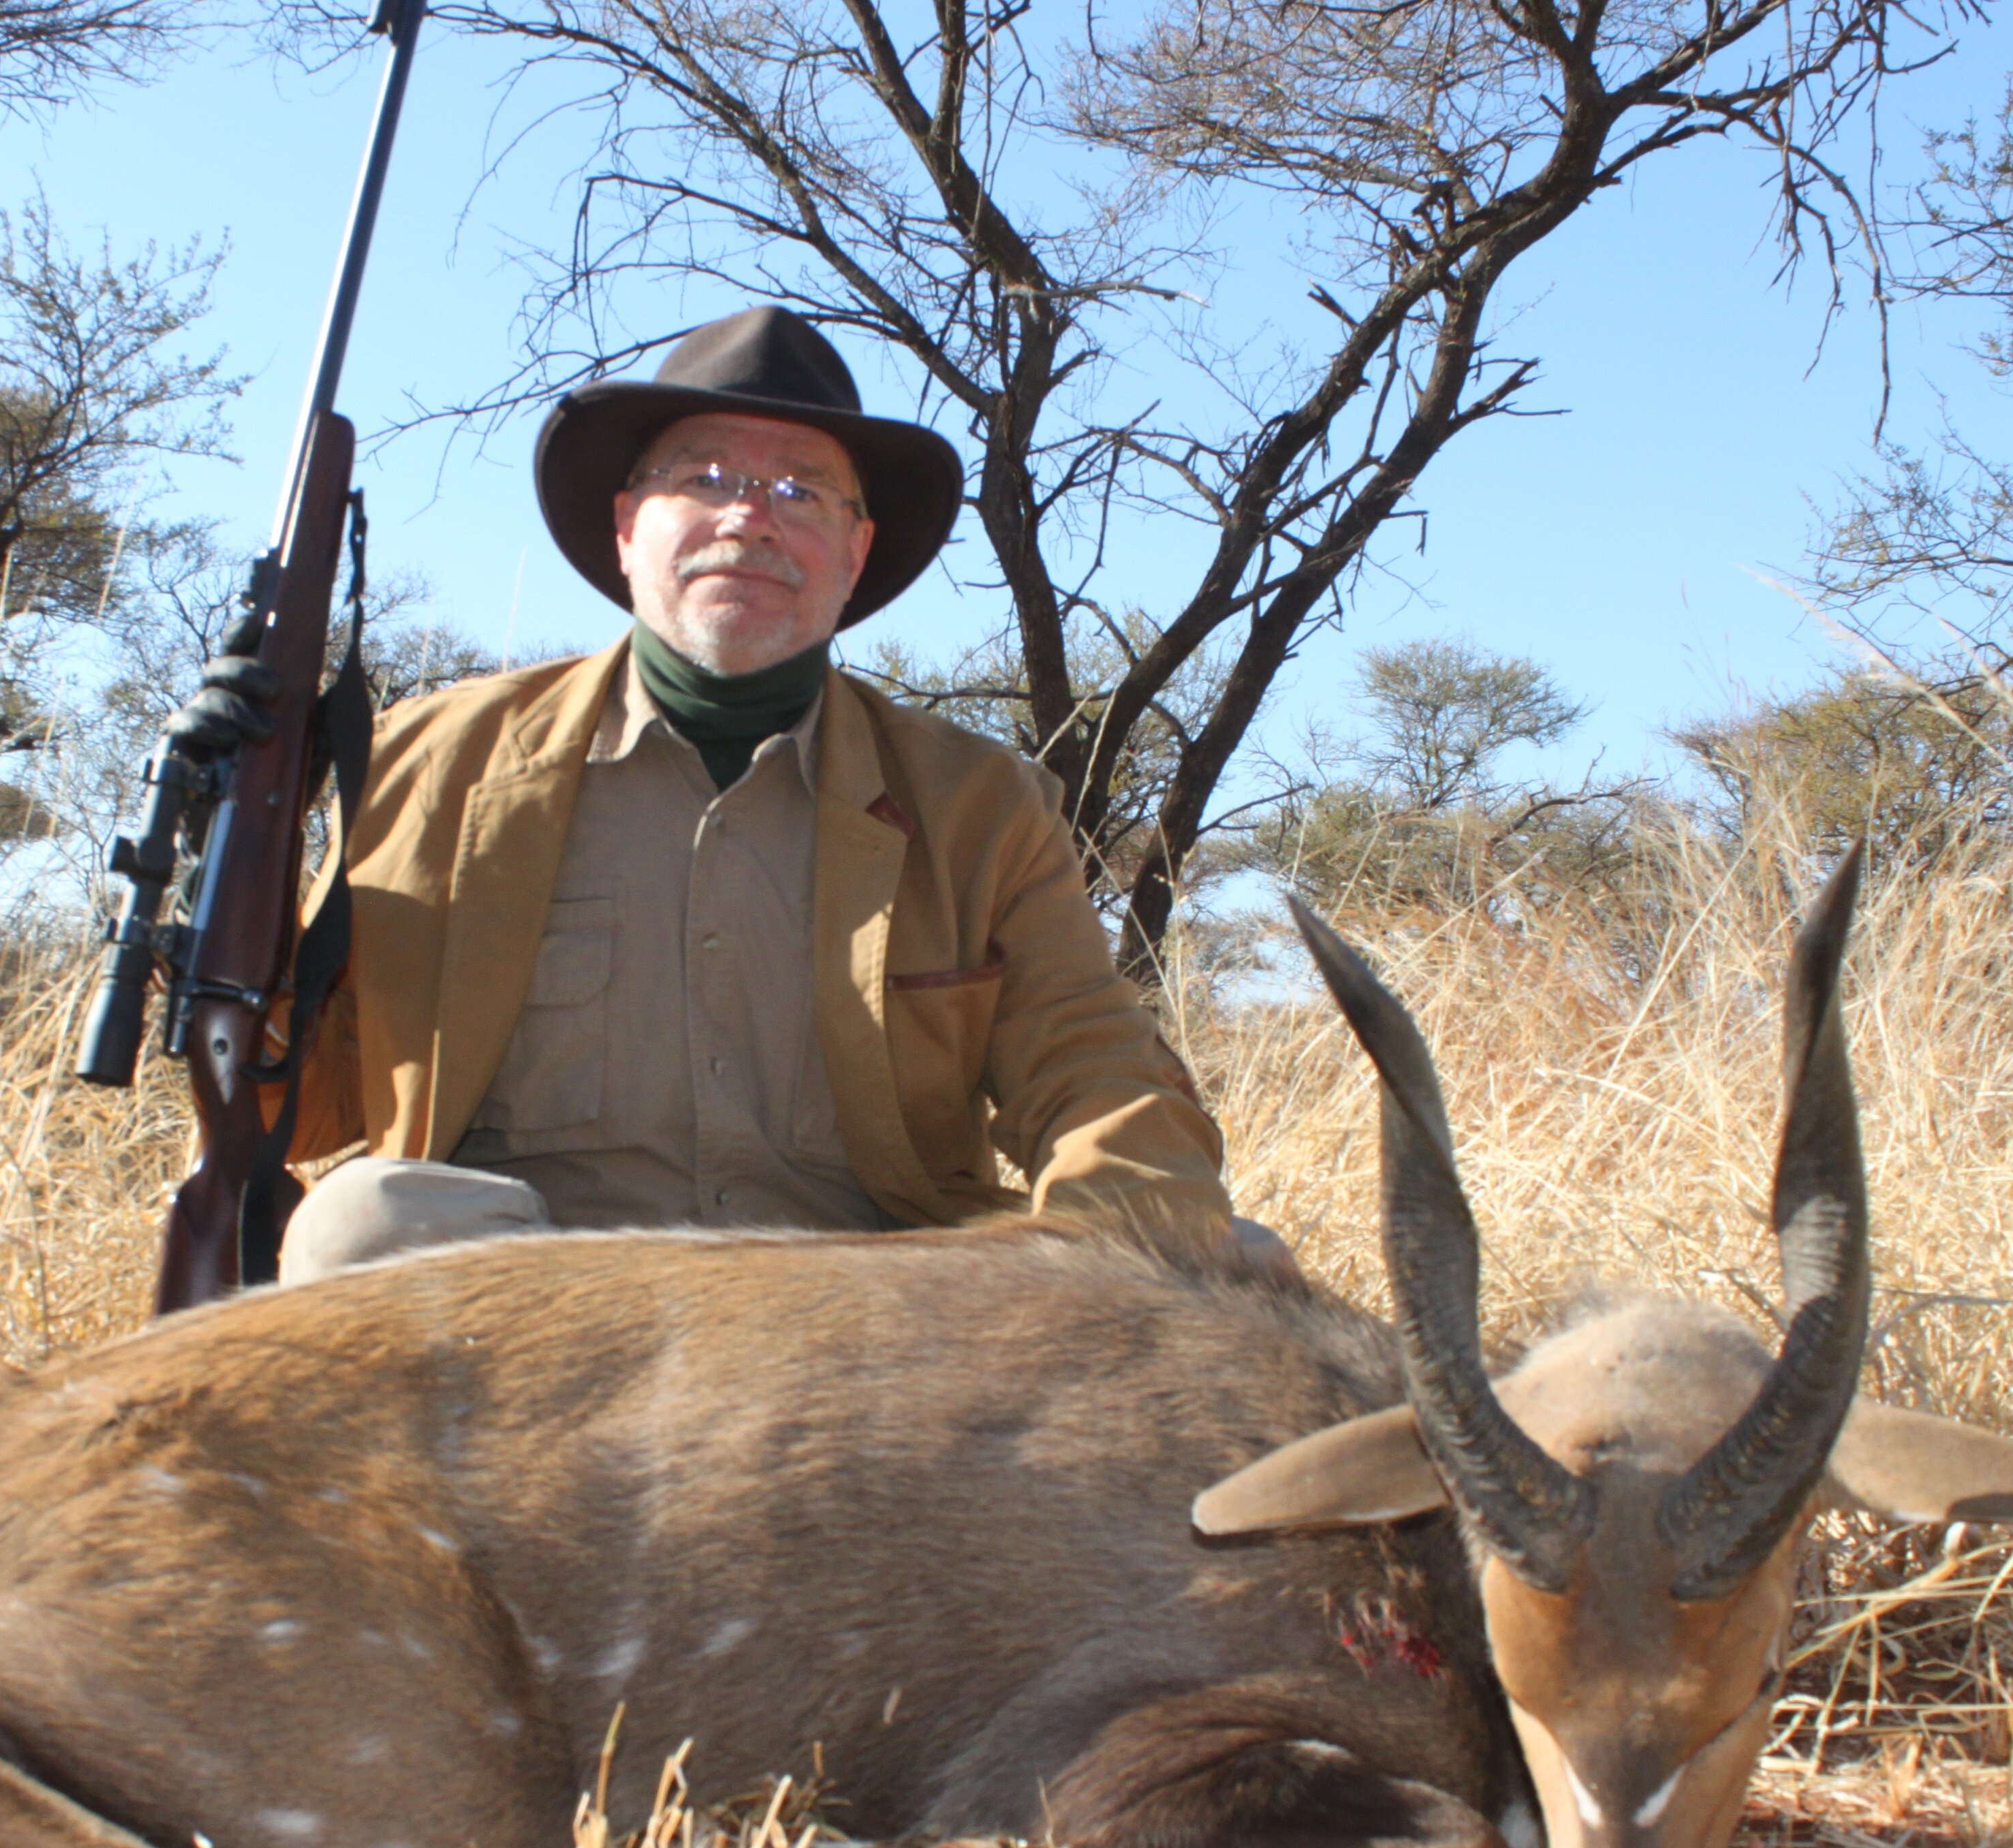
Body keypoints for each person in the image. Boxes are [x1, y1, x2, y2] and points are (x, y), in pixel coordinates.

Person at [170, 305, 1289, 1285]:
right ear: (625, 527)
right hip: (526, 1293)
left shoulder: (982, 805)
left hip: (871, 1301)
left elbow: (1095, 1075)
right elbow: (301, 1103)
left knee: (1230, 1265)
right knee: (361, 1230)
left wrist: (1107, 1251)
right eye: (704, 478)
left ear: (854, 555)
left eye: (801, 492)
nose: (750, 517)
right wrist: (221, 875)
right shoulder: (425, 762)